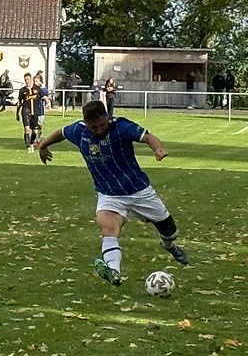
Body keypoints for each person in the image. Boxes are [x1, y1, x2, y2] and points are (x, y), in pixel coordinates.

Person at [37, 100, 189, 286]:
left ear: (107, 118)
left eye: (102, 124)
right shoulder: (79, 131)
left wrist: (157, 149)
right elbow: (60, 133)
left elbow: (148, 136)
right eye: (94, 127)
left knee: (171, 232)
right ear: (86, 123)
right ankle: (114, 273)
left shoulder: (121, 127)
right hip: (109, 195)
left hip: (139, 190)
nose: (99, 129)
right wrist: (43, 146)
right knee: (108, 228)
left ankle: (168, 245)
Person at [15, 73, 42, 152]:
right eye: (25, 80)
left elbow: (43, 96)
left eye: (28, 79)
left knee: (35, 131)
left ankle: (31, 143)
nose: (27, 81)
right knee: (27, 129)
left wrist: (48, 102)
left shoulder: (37, 88)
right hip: (25, 110)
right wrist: (17, 113)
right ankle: (28, 146)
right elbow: (19, 102)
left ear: (31, 79)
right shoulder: (22, 90)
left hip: (35, 111)